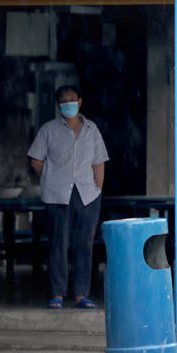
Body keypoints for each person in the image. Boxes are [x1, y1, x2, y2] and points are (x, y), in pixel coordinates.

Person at [28, 85, 109, 310]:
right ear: (58, 105)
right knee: (58, 245)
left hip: (87, 195)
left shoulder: (92, 129)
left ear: (80, 102)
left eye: (72, 100)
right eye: (64, 101)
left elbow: (99, 161)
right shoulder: (48, 130)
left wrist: (97, 189)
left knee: (84, 245)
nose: (69, 104)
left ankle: (81, 294)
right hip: (57, 195)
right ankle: (57, 293)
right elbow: (36, 159)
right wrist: (50, 177)